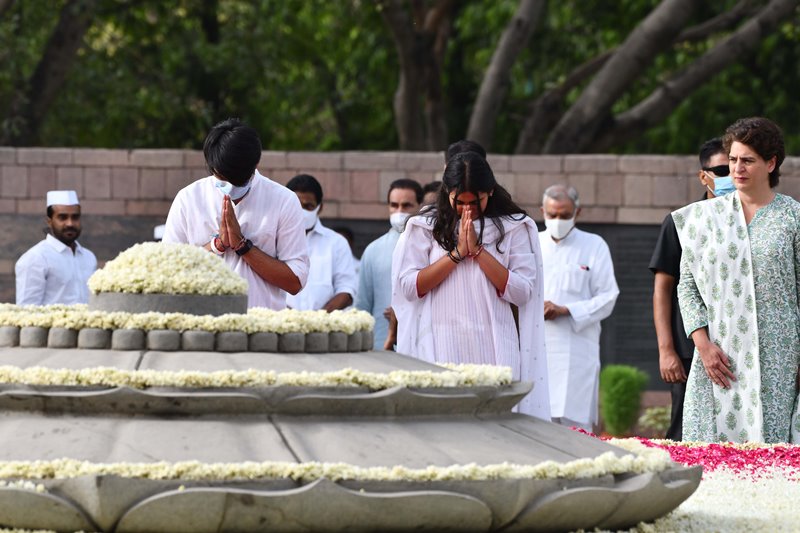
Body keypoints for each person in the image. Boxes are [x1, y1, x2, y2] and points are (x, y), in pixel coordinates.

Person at [392, 151, 549, 418]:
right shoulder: (424, 226)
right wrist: (457, 254)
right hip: (439, 341)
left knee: (495, 425)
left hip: (495, 344)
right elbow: (409, 286)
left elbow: (522, 292)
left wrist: (477, 251)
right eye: (459, 202)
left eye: (476, 202)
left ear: (490, 191)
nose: (467, 210)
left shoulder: (514, 227)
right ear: (447, 193)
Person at [675, 117, 800, 443]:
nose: (737, 168)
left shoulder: (792, 219)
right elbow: (687, 285)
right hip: (717, 357)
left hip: (778, 358)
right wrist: (702, 345)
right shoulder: (705, 218)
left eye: (748, 160)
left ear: (771, 163)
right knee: (713, 456)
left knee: (770, 458)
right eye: (732, 160)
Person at [163, 118, 309, 309]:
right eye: (223, 179)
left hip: (262, 328)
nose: (230, 188)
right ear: (211, 165)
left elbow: (295, 281)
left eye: (238, 181)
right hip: (200, 326)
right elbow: (167, 271)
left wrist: (243, 247)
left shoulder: (283, 200)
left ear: (256, 163)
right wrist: (217, 245)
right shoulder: (189, 199)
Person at [649, 138, 730, 441]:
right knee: (685, 432)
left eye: (737, 165)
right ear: (703, 175)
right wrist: (666, 350)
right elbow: (662, 289)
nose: (732, 175)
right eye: (722, 169)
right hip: (689, 350)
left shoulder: (749, 220)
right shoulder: (682, 222)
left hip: (737, 346)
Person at [539, 184, 619, 431]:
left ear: (578, 212)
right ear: (542, 211)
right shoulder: (531, 243)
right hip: (537, 347)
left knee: (576, 426)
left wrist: (566, 310)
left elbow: (608, 296)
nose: (558, 221)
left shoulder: (594, 245)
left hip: (576, 350)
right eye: (552, 215)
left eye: (564, 215)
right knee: (537, 423)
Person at [355, 179, 422, 349]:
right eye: (394, 205)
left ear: (420, 206)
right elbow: (362, 306)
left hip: (421, 344)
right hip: (380, 345)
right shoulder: (373, 250)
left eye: (406, 206)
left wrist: (403, 308)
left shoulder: (430, 247)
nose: (399, 211)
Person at [285, 174, 358, 312]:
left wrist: (319, 318)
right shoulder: (271, 239)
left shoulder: (337, 243)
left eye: (308, 206)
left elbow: (346, 289)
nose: (301, 211)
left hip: (325, 328)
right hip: (279, 324)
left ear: (320, 207)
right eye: (296, 205)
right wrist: (288, 315)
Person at [15, 190, 97, 306]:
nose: (70, 223)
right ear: (49, 221)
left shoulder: (89, 257)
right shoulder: (35, 258)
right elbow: (27, 311)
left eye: (75, 217)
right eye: (62, 217)